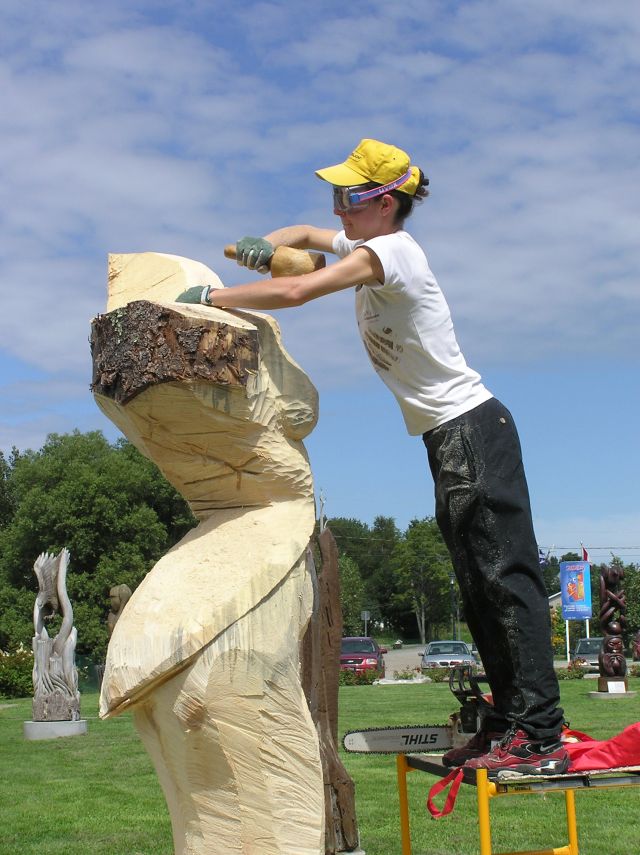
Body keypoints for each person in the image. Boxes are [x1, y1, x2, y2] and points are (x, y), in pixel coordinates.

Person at [177, 138, 567, 777]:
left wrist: (212, 300)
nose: (337, 209)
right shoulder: (364, 242)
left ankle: (542, 733)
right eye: (335, 195)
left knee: (504, 580)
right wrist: (258, 246)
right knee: (476, 589)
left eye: (348, 198)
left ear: (384, 203)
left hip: (474, 429)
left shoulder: (392, 252)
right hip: (449, 439)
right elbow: (302, 236)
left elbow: (300, 290)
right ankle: (508, 718)